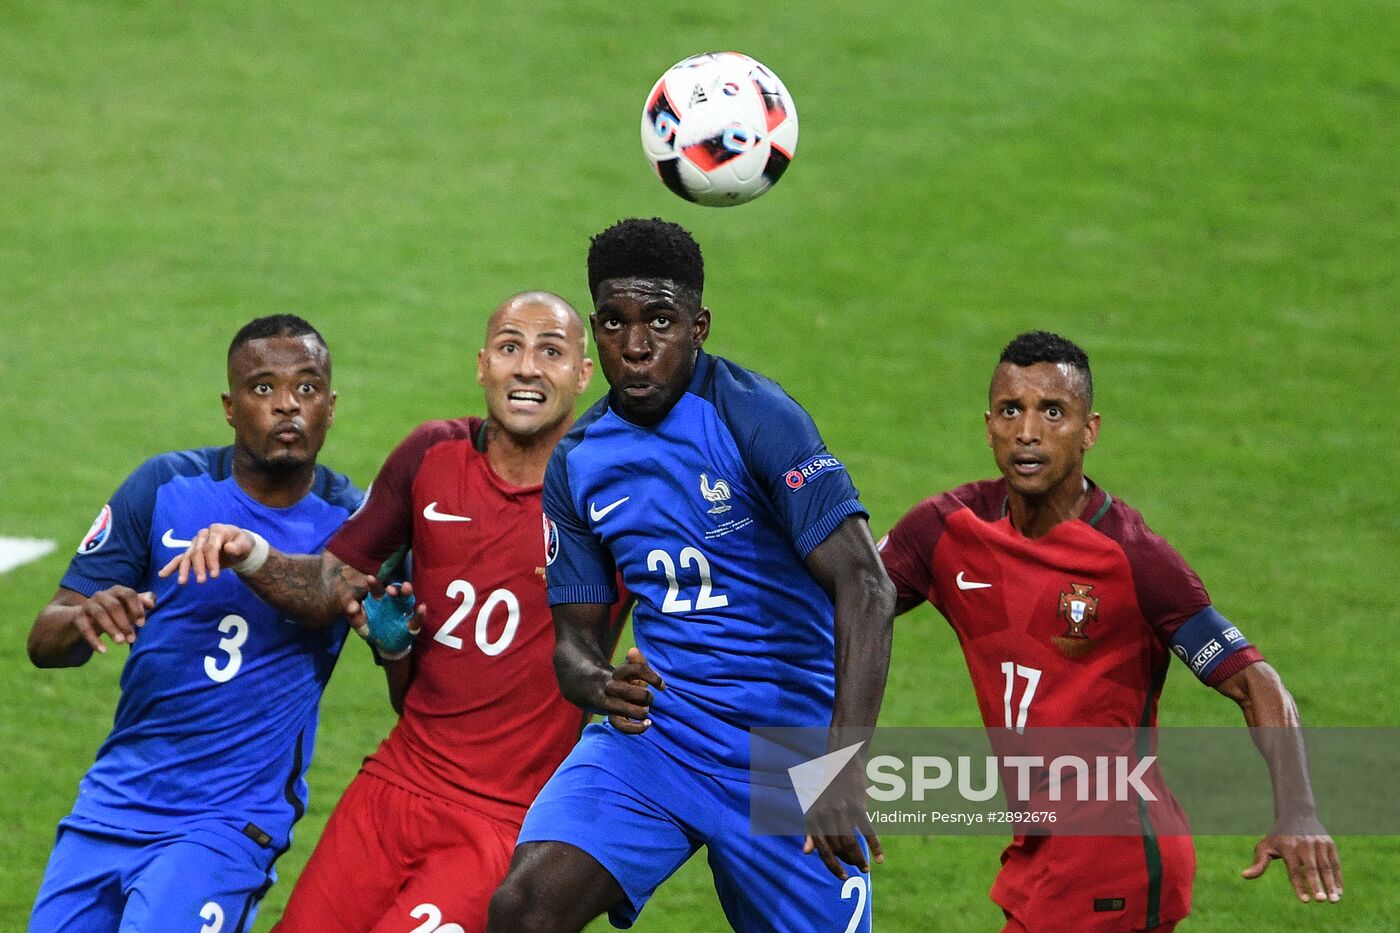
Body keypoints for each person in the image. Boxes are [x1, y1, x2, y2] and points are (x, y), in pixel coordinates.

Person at [486, 218, 897, 933]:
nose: (637, 346)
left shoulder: (756, 417)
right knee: (524, 908)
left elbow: (866, 585)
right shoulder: (579, 460)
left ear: (698, 326)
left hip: (784, 755)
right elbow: (573, 644)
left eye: (661, 322)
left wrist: (841, 763)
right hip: (660, 735)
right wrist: (598, 681)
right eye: (615, 322)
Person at [160, 292, 610, 932]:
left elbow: (747, 625)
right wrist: (253, 553)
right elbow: (331, 586)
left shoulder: (611, 492)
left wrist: (799, 779)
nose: (528, 368)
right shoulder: (431, 455)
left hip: (506, 815)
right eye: (511, 347)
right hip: (396, 782)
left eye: (552, 351)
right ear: (483, 365)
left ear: (582, 375)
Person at [877, 331, 1343, 932]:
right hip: (1041, 852)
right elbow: (838, 611)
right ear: (987, 423)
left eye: (1053, 412)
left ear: (1089, 430)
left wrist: (1299, 811)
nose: (1028, 432)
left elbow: (1256, 683)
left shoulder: (1134, 558)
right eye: (1010, 410)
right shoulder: (944, 532)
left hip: (1114, 855)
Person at [27, 315, 360, 932]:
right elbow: (45, 642)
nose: (287, 405)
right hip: (111, 805)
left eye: (306, 389)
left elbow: (377, 620)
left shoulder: (356, 524)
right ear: (230, 408)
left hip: (225, 824)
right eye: (263, 389)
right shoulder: (163, 486)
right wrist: (85, 617)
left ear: (331, 407)